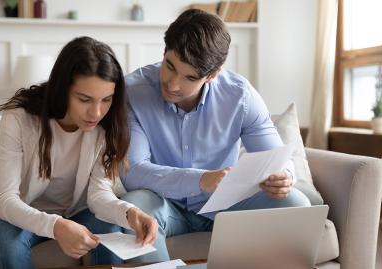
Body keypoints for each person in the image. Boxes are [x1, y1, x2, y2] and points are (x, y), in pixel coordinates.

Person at [121, 9, 311, 262]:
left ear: (212, 74)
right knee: (133, 206)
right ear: (164, 51)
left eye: (189, 77)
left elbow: (275, 158)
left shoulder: (240, 96)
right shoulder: (133, 92)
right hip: (163, 204)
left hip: (227, 206)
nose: (173, 84)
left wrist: (283, 176)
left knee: (295, 204)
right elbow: (133, 172)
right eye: (170, 66)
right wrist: (201, 180)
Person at [0, 37, 158, 268]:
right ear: (63, 89)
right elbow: (6, 200)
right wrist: (56, 226)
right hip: (22, 211)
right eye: (84, 99)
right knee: (9, 242)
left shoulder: (107, 126)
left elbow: (99, 194)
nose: (97, 112)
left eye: (106, 99)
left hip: (77, 212)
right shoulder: (19, 120)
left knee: (112, 230)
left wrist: (130, 212)